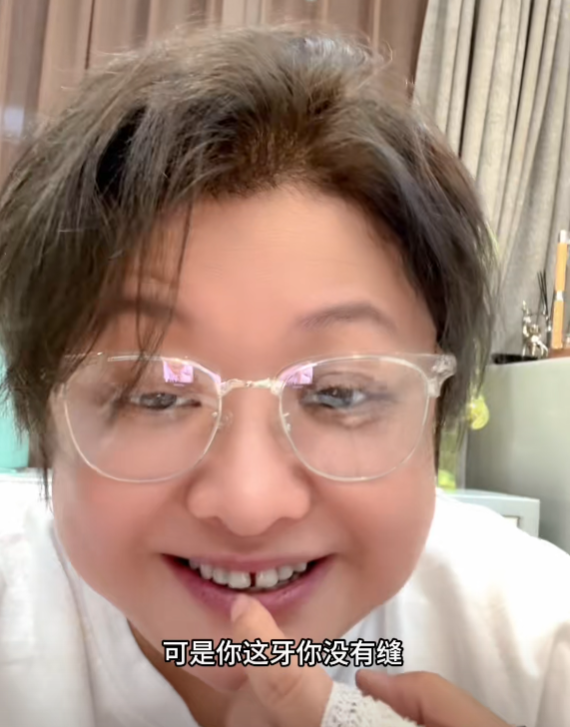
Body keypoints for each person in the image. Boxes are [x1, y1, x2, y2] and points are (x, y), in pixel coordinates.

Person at [0, 24, 567, 727]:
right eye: (156, 393)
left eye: (340, 393)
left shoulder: (537, 641)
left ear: (436, 409)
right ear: (44, 417)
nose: (250, 505)